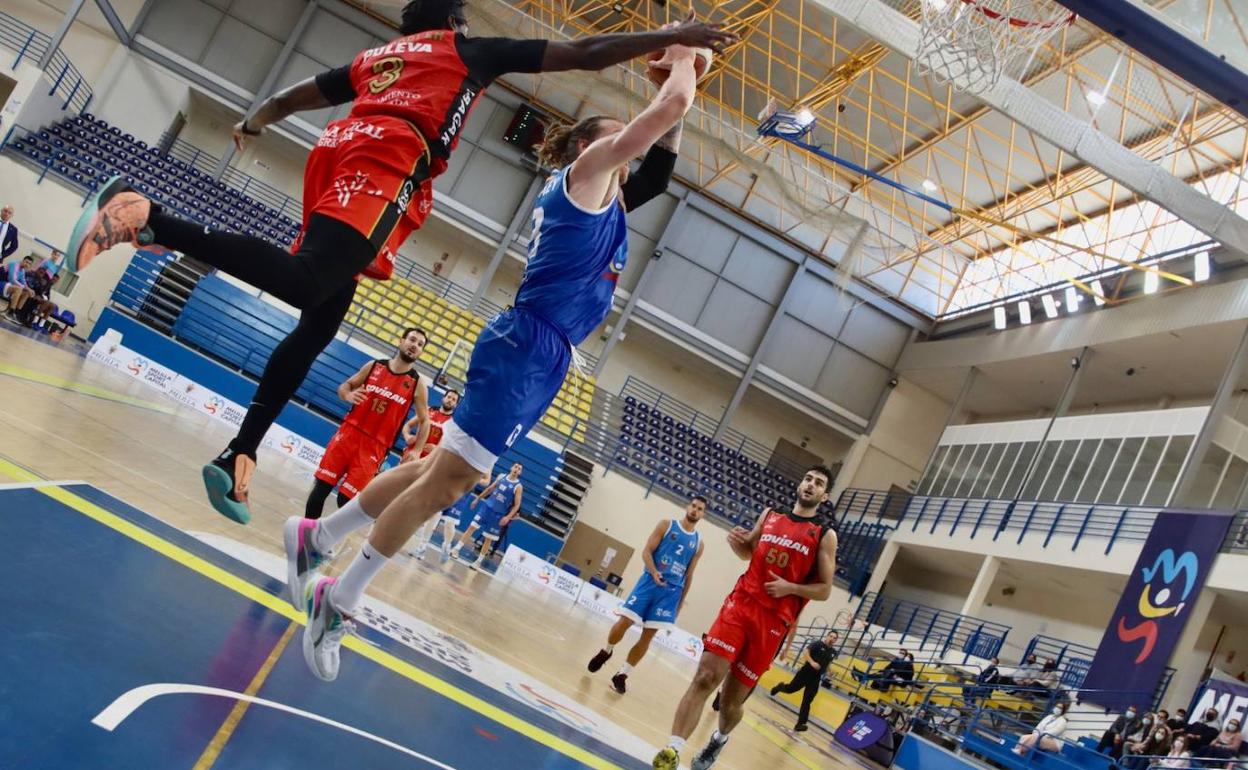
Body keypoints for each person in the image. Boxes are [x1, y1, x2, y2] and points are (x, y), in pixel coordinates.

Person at [66, 2, 735, 526]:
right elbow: (586, 55)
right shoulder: (468, 54)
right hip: (388, 162)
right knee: (305, 285)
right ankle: (149, 216)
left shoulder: (377, 57)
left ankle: (242, 447)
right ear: (456, 22)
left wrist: (259, 118)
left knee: (320, 318)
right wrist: (671, 40)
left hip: (343, 152)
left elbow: (301, 93)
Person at [287, 30, 720, 683]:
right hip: (527, 346)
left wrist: (671, 89)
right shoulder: (585, 177)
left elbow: (658, 165)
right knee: (448, 484)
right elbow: (667, 114)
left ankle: (317, 537)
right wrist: (686, 63)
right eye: (616, 138)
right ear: (585, 146)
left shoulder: (606, 197)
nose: (628, 149)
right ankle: (340, 598)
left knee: (436, 469)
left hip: (541, 353)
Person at [651, 467, 838, 770]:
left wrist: (790, 587)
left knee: (730, 703)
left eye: (818, 483)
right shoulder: (771, 515)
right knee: (705, 677)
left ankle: (719, 739)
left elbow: (825, 589)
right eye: (807, 479)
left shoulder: (824, 535)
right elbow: (749, 551)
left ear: (824, 496)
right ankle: (673, 750)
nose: (810, 485)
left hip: (773, 623)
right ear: (800, 484)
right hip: (741, 604)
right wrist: (737, 543)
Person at [301, 328, 428, 520]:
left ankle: (327, 535)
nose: (414, 345)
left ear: (421, 352)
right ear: (401, 341)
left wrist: (417, 450)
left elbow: (425, 421)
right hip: (349, 433)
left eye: (420, 344)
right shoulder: (374, 366)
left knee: (346, 501)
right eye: (412, 339)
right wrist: (348, 395)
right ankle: (307, 534)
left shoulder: (417, 383)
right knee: (321, 488)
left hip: (375, 446)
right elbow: (345, 386)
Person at [587, 496, 706, 695]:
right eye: (693, 506)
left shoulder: (698, 543)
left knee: (647, 637)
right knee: (624, 622)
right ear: (687, 506)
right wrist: (654, 571)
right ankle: (607, 650)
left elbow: (689, 574)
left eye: (700, 509)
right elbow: (646, 552)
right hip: (649, 582)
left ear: (703, 515)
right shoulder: (666, 525)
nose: (695, 510)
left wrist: (679, 604)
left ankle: (622, 675)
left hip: (670, 594)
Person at [449, 462, 523, 570]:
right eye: (515, 467)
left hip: (498, 515)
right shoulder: (502, 477)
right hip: (486, 508)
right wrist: (477, 498)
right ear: (511, 467)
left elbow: (517, 505)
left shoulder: (518, 486)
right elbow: (490, 489)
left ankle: (478, 562)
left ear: (520, 472)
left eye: (519, 468)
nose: (516, 469)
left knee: (488, 539)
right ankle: (456, 549)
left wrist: (507, 517)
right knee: (471, 527)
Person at [407, 471, 490, 562]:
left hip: (462, 492)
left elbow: (487, 481)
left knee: (450, 522)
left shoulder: (488, 463)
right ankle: (421, 548)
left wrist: (474, 478)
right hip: (447, 485)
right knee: (433, 516)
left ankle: (447, 545)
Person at [769, 631, 839, 731]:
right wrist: (812, 662)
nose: (832, 638)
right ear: (827, 636)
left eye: (834, 638)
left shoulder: (833, 652)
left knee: (807, 700)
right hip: (805, 672)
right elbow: (806, 652)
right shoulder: (817, 644)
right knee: (791, 689)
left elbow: (827, 663)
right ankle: (780, 687)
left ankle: (800, 723)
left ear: (836, 640)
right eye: (830, 636)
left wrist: (829, 672)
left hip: (816, 678)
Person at [401, 388, 458, 463]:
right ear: (443, 398)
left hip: (429, 459)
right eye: (449, 397)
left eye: (453, 400)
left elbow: (450, 447)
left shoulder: (453, 422)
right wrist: (407, 436)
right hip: (412, 452)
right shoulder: (428, 410)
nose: (450, 400)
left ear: (456, 405)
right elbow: (407, 425)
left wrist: (436, 449)